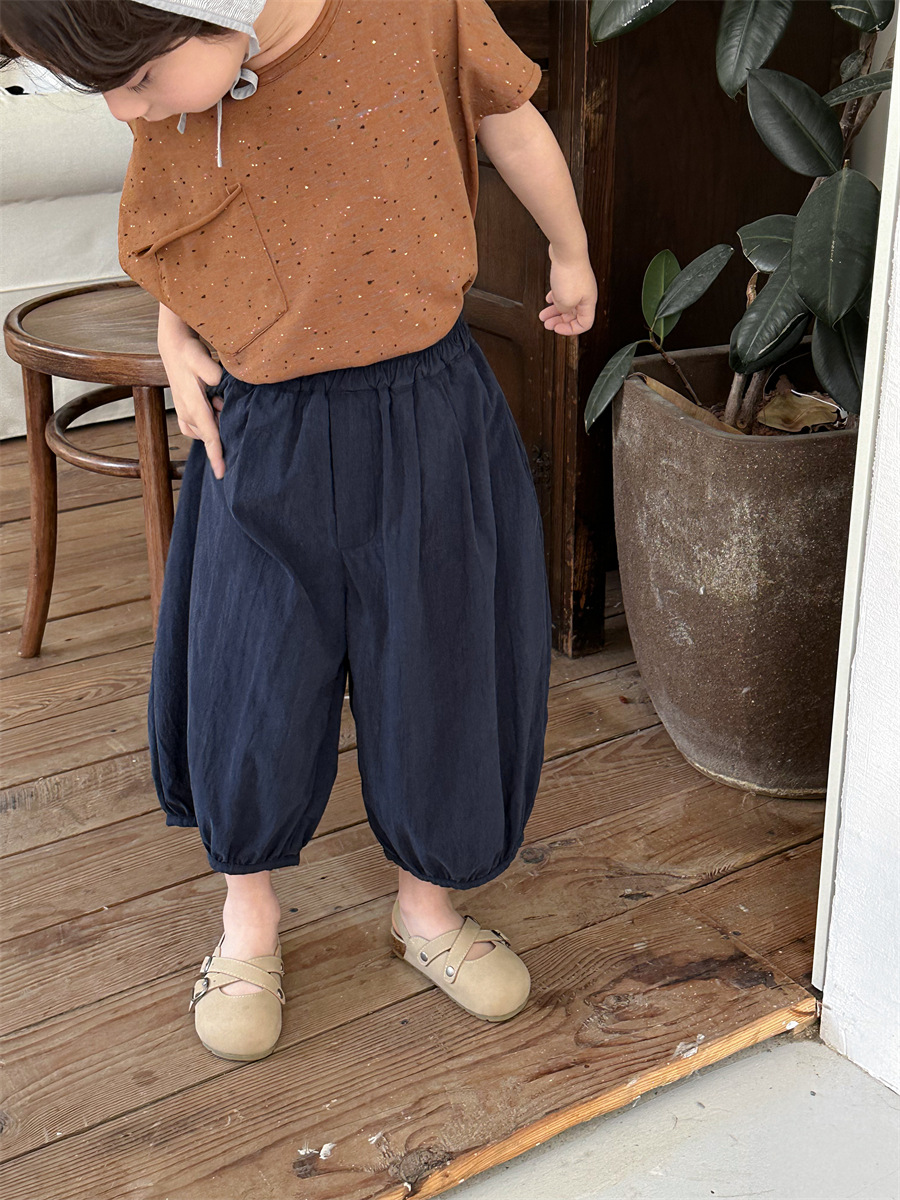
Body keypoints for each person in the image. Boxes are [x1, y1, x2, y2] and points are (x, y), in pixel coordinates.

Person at [1, 0, 597, 1062]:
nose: (127, 111)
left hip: (428, 407)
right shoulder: (169, 83)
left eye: (137, 82)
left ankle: (428, 909)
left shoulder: (416, 11)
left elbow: (508, 116)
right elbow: (184, 224)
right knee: (252, 671)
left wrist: (570, 246)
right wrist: (173, 336)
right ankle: (249, 919)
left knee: (439, 664)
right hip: (263, 423)